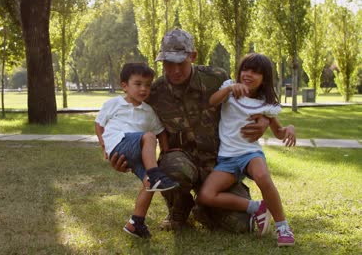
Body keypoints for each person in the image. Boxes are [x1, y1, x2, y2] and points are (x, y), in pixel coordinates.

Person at [110, 28, 270, 233]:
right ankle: (179, 207)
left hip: (219, 165)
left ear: (192, 56)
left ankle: (203, 208)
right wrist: (122, 157)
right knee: (174, 169)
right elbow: (130, 126)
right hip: (181, 161)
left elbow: (249, 100)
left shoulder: (216, 79)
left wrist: (264, 119)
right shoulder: (154, 92)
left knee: (240, 225)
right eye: (168, 63)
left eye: (181, 63)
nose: (175, 70)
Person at [198, 53, 296, 247]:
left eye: (256, 72)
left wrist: (290, 129)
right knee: (206, 195)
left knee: (262, 176)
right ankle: (257, 207)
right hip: (227, 159)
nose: (249, 74)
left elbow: (279, 132)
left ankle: (283, 227)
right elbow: (212, 101)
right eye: (245, 69)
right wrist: (228, 90)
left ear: (264, 79)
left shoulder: (265, 105)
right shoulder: (229, 90)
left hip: (250, 154)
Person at [95, 62, 179, 239]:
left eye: (148, 85)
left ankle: (136, 223)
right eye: (138, 84)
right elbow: (99, 124)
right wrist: (104, 146)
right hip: (119, 143)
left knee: (149, 184)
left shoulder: (148, 111)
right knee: (148, 137)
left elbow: (161, 131)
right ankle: (155, 173)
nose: (144, 89)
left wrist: (166, 151)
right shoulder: (114, 103)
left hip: (136, 150)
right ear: (124, 86)